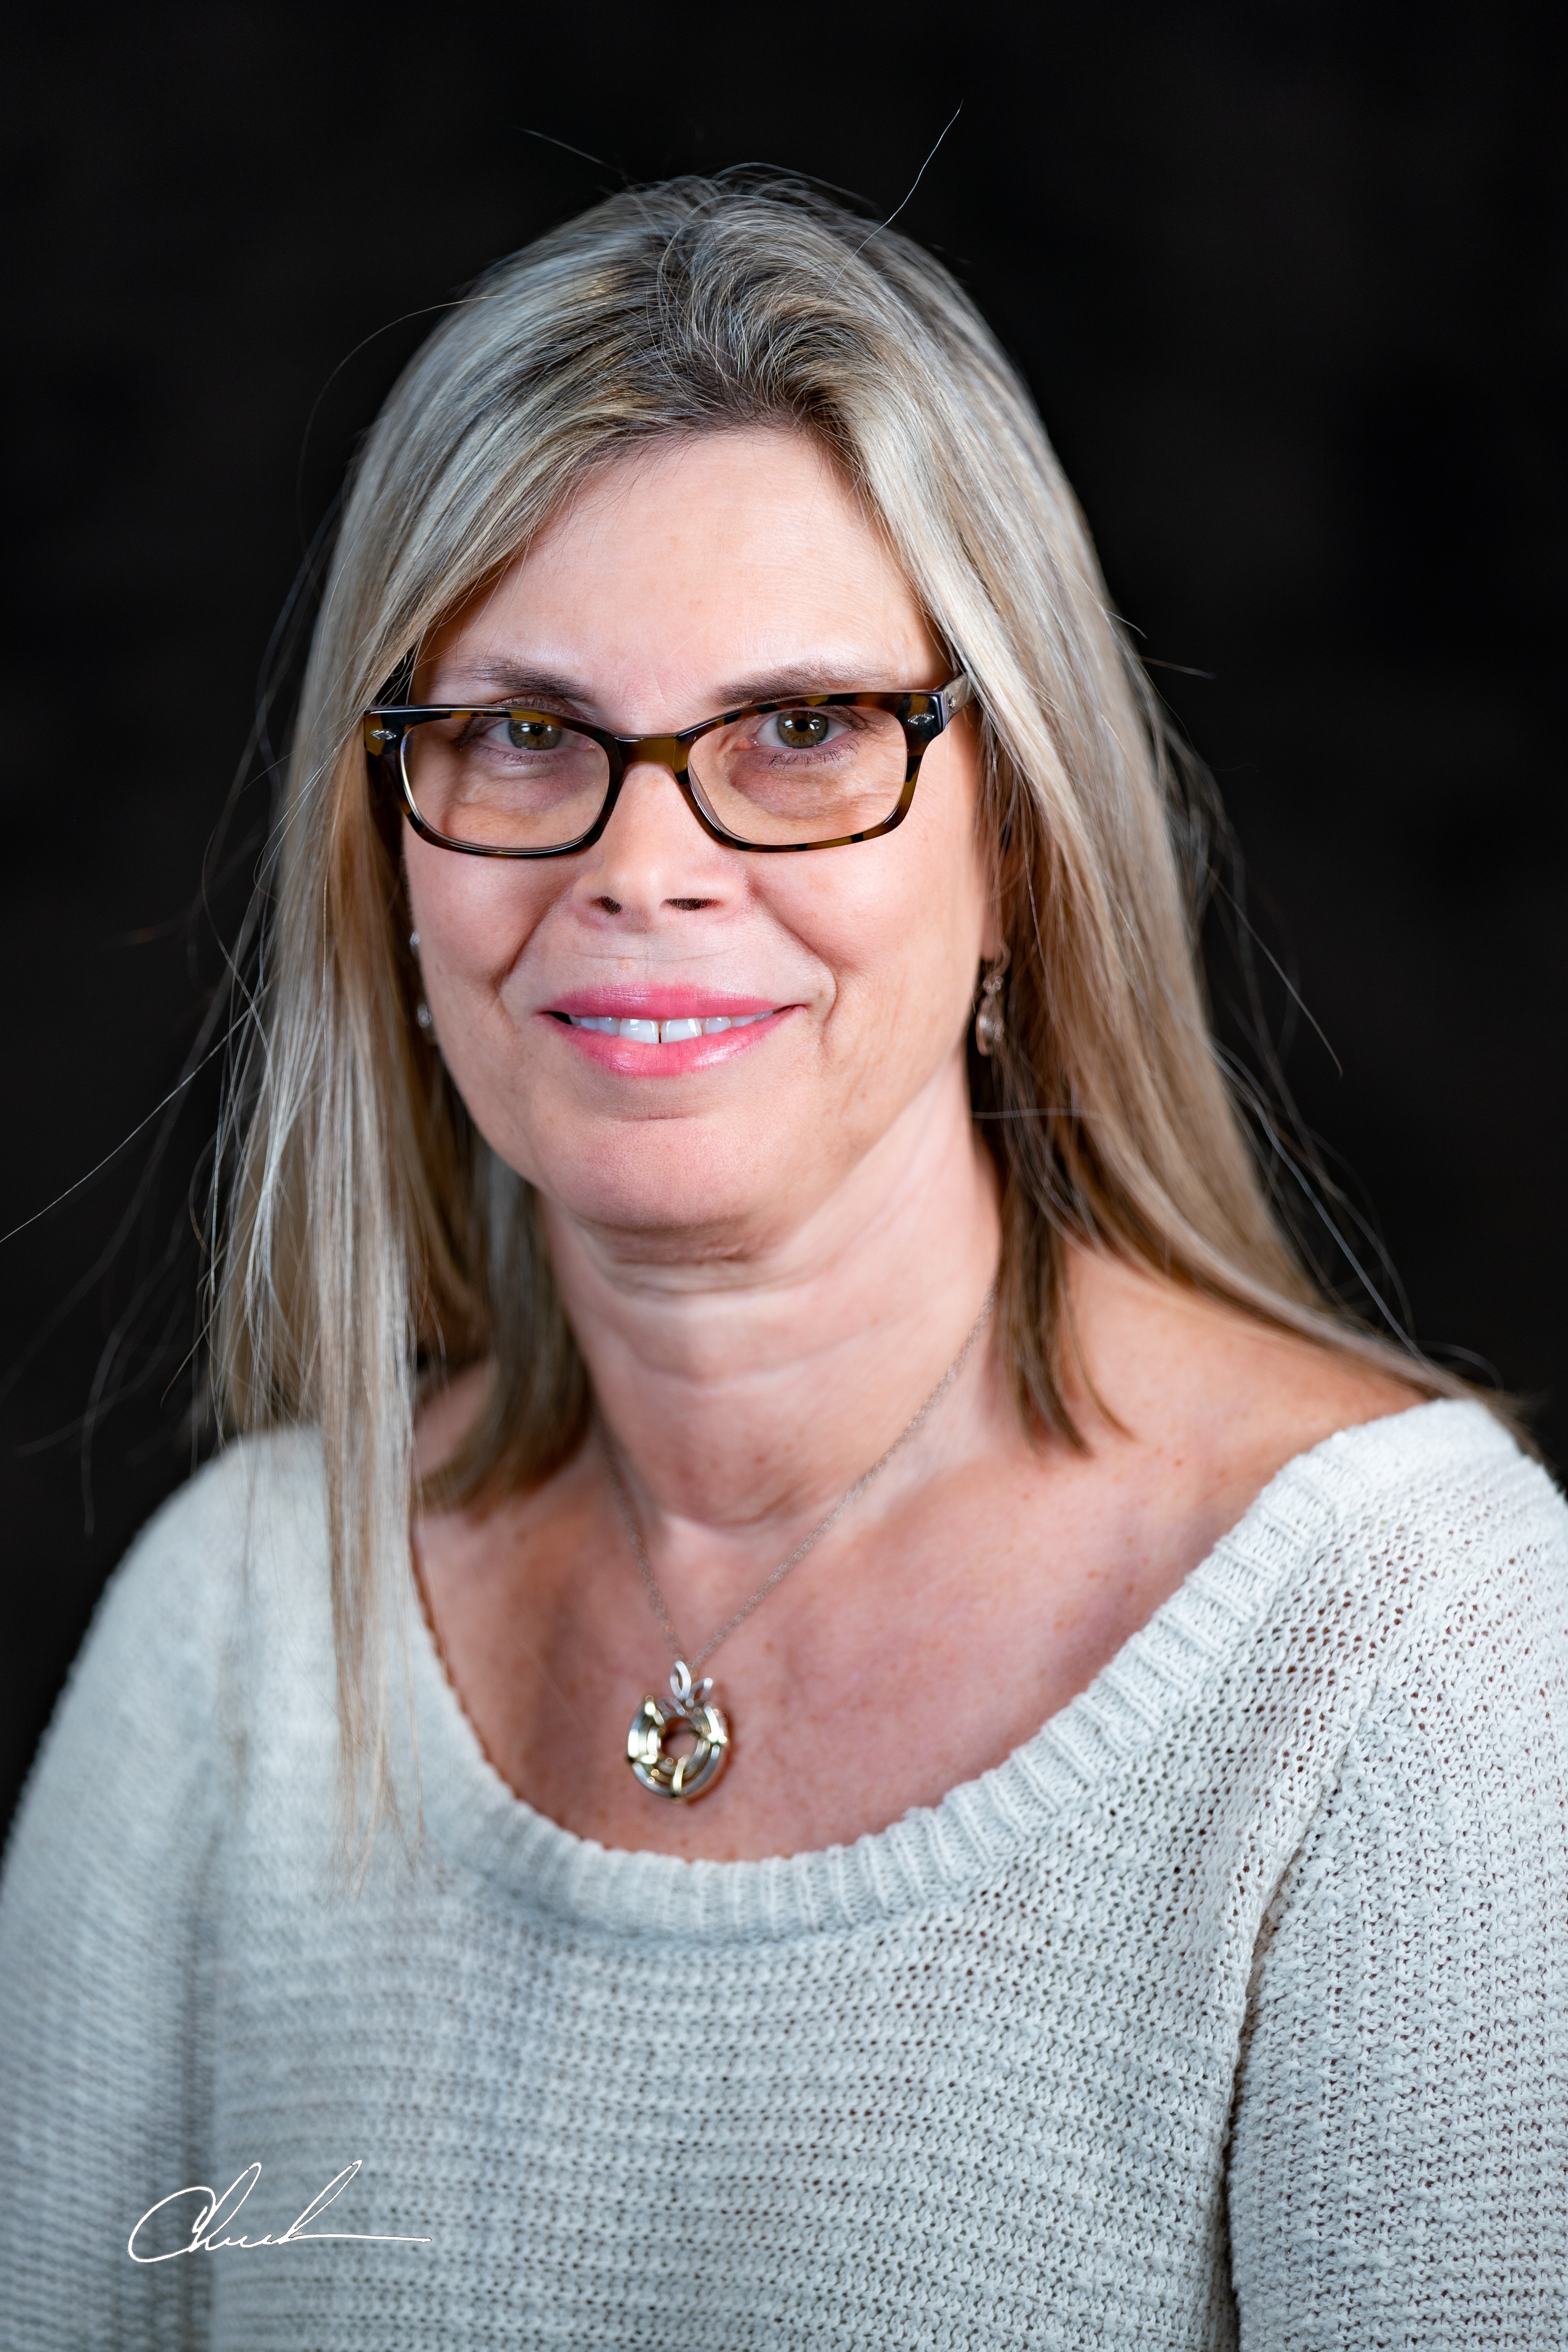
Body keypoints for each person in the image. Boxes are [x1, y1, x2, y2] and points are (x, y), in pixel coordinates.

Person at [2, 172, 1564, 2350]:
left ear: (1017, 838)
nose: (646, 867)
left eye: (806, 734)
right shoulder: (241, 1637)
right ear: (388, 862)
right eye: (524, 735)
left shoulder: (1412, 1662)